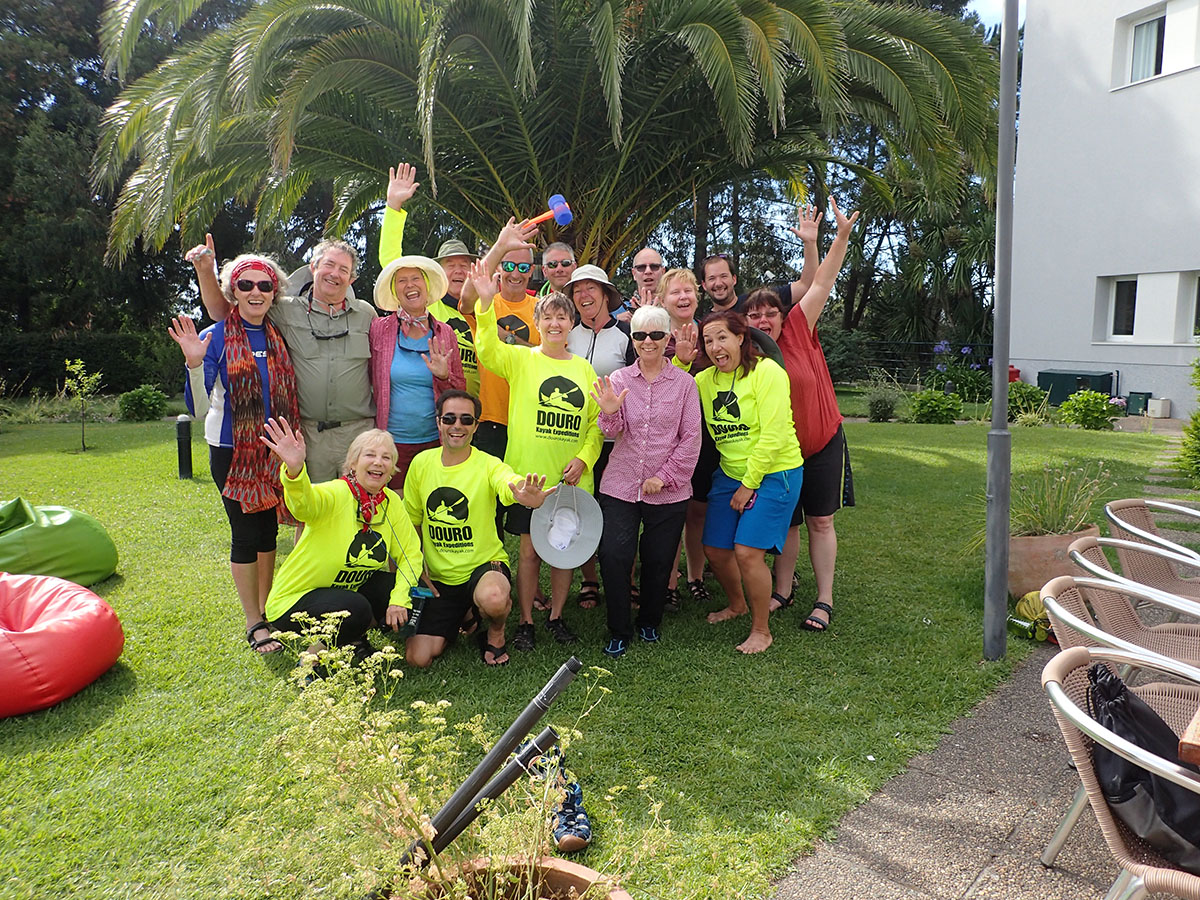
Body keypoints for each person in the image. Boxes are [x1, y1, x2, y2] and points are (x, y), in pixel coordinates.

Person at [470, 248, 602, 651]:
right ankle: (526, 620)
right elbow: (487, 349)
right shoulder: (520, 360)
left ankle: (557, 616)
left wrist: (584, 459)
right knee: (528, 552)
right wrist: (485, 304)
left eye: (562, 317)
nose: (555, 323)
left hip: (569, 478)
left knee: (563, 551)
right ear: (538, 323)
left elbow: (596, 425)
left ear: (571, 324)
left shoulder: (584, 370)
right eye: (548, 317)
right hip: (529, 478)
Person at [171, 252, 299, 655]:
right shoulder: (216, 336)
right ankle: (253, 621)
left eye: (265, 285)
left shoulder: (280, 335)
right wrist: (194, 363)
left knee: (268, 532)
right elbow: (197, 409)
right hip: (232, 452)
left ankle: (268, 607)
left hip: (274, 450)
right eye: (246, 285)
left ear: (274, 291)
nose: (255, 292)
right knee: (245, 534)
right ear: (233, 291)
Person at [743, 198, 859, 631]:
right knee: (788, 523)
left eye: (770, 312)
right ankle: (783, 590)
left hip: (823, 440)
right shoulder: (746, 354)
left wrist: (837, 238)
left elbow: (823, 280)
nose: (763, 319)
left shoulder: (798, 327)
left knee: (820, 521)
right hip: (781, 452)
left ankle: (824, 599)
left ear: (781, 315)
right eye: (754, 314)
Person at [193, 233, 376, 482]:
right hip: (308, 435)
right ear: (313, 268)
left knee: (362, 501)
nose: (335, 274)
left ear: (352, 279)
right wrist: (206, 272)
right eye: (329, 265)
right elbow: (225, 312)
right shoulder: (285, 310)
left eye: (343, 269)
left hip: (359, 433)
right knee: (312, 504)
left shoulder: (366, 315)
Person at [403, 390, 555, 667]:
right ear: (438, 422)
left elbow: (508, 483)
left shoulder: (489, 464)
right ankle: (465, 615)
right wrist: (416, 569)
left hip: (484, 567)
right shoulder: (421, 464)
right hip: (440, 578)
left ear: (475, 426)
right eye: (449, 418)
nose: (457, 425)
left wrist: (523, 493)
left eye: (466, 419)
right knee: (418, 658)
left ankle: (495, 631)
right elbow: (412, 521)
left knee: (494, 599)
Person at [590, 305, 701, 657]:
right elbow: (612, 430)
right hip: (620, 484)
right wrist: (609, 412)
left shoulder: (685, 384)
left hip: (668, 491)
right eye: (640, 335)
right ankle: (619, 628)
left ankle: (650, 620)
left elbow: (691, 438)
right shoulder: (620, 379)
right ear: (633, 340)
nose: (648, 341)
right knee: (614, 555)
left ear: (668, 339)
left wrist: (663, 478)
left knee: (659, 559)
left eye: (655, 334)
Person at [261, 420, 424, 658]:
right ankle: (312, 659)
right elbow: (304, 506)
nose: (378, 462)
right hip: (295, 600)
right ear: (353, 463)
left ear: (392, 469)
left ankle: (352, 636)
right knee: (356, 607)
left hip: (348, 590)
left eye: (386, 458)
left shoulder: (391, 503)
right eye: (370, 455)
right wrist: (295, 472)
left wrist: (399, 599)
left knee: (398, 590)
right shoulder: (336, 492)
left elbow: (410, 554)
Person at [693, 311, 804, 654]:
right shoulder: (705, 380)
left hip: (775, 472)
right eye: (708, 341)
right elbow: (673, 386)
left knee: (747, 552)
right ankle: (737, 604)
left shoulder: (767, 372)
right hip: (730, 471)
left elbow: (774, 435)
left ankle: (761, 630)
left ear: (741, 338)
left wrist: (749, 483)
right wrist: (681, 360)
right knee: (715, 550)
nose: (715, 347)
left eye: (722, 337)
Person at [377, 162, 482, 396]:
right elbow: (392, 262)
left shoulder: (485, 310)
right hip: (440, 408)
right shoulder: (429, 306)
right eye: (451, 265)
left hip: (482, 412)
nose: (458, 271)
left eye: (464, 266)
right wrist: (393, 206)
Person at [565, 264, 635, 609]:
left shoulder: (626, 335)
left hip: (618, 441)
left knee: (621, 512)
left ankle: (627, 580)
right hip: (575, 440)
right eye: (577, 290)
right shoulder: (566, 334)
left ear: (606, 294)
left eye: (591, 288)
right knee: (583, 510)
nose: (584, 295)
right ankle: (590, 579)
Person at [369, 254, 466, 489]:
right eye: (402, 281)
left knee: (429, 502)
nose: (410, 285)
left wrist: (443, 376)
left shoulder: (445, 333)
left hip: (435, 440)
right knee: (394, 503)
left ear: (426, 285)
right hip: (391, 442)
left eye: (415, 278)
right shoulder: (379, 329)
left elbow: (460, 391)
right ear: (395, 291)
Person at [699, 204, 820, 314]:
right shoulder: (702, 325)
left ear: (734, 279)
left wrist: (810, 243)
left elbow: (806, 286)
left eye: (724, 276)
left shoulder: (758, 302)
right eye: (712, 278)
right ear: (704, 285)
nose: (718, 283)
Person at [614, 246, 665, 322]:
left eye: (654, 267)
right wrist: (616, 324)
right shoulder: (618, 313)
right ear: (634, 274)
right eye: (641, 267)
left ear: (663, 272)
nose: (648, 271)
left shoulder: (676, 308)